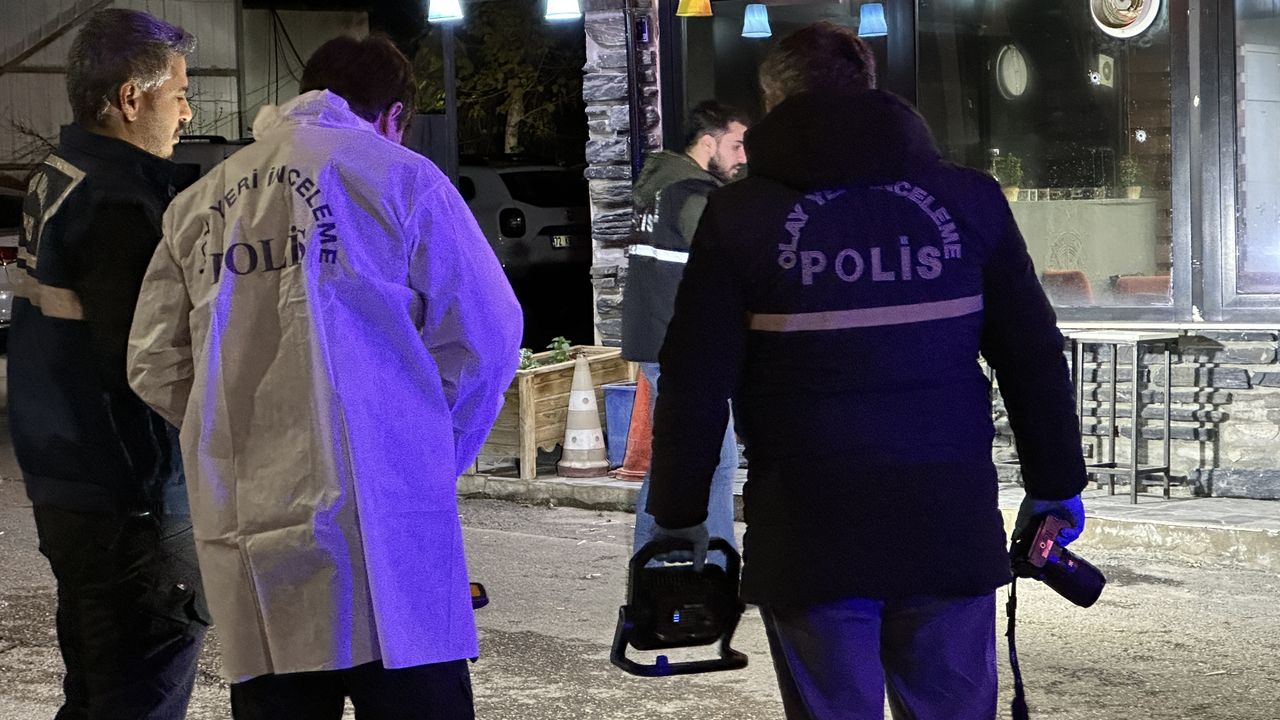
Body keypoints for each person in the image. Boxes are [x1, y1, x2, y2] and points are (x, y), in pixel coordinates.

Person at [646, 22, 1088, 720]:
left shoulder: (739, 217)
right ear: (871, 85)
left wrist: (679, 514)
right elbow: (1031, 352)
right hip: (946, 517)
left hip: (809, 528)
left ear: (773, 101)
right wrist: (1055, 484)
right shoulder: (970, 200)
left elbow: (695, 377)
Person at [126, 35, 522, 719]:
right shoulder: (402, 179)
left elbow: (154, 361)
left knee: (280, 693)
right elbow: (487, 335)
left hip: (256, 524)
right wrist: (431, 446)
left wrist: (237, 432)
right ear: (393, 115)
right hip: (385, 518)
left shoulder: (200, 204)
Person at [7, 9, 208, 719]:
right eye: (179, 94)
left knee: (96, 691)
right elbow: (152, 367)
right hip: (131, 501)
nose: (186, 113)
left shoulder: (57, 176)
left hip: (67, 484)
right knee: (140, 691)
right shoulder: (122, 203)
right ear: (130, 98)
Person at [621, 100, 749, 561]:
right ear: (708, 142)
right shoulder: (694, 194)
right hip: (682, 347)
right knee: (714, 459)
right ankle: (713, 566)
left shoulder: (660, 187)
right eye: (736, 145)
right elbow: (733, 265)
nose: (743, 157)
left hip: (659, 341)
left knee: (676, 461)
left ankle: (655, 565)